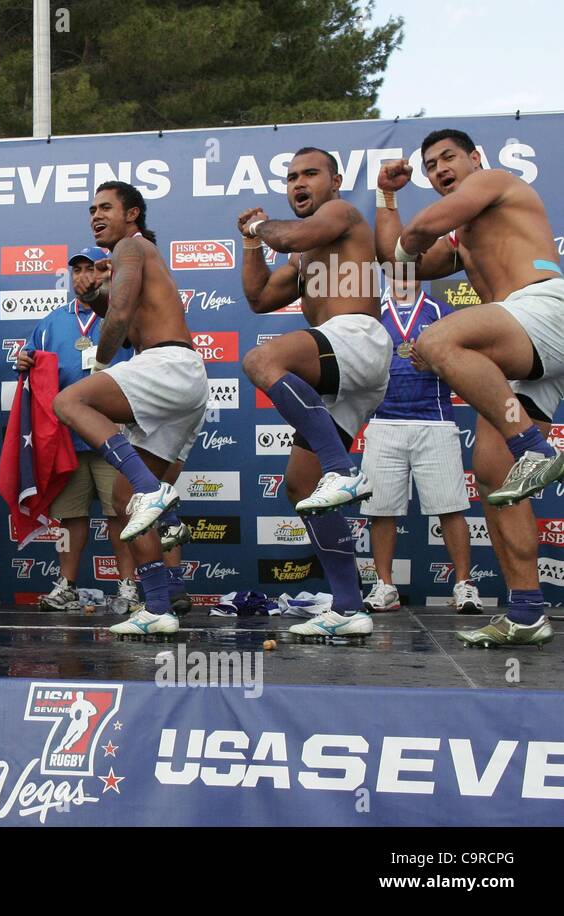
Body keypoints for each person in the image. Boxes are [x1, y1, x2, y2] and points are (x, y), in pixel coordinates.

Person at [377, 128, 561, 647]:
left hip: (545, 307)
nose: (439, 170)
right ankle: (527, 611)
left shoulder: (495, 181)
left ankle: (535, 446)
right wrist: (387, 198)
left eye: (448, 158)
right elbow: (397, 263)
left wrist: (410, 237)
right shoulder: (463, 240)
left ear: (474, 158)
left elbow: (419, 235)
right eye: (431, 165)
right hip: (522, 340)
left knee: (436, 343)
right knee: (494, 479)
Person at [238, 147, 389, 639]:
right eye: (291, 177)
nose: (298, 183)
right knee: (303, 488)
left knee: (262, 360)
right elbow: (260, 299)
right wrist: (249, 246)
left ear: (335, 180)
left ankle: (344, 471)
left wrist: (263, 228)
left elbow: (292, 233)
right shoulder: (305, 252)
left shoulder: (341, 213)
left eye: (309, 174)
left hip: (356, 338)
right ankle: (348, 607)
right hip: (341, 366)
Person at [52, 182, 209, 638]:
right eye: (91, 209)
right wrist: (89, 296)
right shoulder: (135, 256)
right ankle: (158, 607)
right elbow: (121, 310)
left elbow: (119, 317)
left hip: (168, 364)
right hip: (180, 376)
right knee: (125, 500)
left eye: (106, 207)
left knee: (70, 399)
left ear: (133, 214)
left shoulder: (129, 247)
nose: (95, 215)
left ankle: (154, 492)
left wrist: (99, 364)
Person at [17, 246, 137, 612]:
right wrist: (23, 360)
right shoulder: (52, 322)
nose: (84, 277)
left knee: (121, 515)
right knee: (70, 518)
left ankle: (128, 586)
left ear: (108, 274)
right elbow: (28, 360)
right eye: (77, 270)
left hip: (112, 433)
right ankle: (66, 585)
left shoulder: (124, 317)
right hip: (66, 438)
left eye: (92, 269)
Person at [359, 273, 480, 613]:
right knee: (381, 510)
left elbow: (465, 363)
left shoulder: (441, 312)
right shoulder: (370, 312)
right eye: (394, 269)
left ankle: (464, 585)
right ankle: (384, 586)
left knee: (451, 507)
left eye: (409, 269)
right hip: (384, 422)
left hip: (435, 421)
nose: (402, 276)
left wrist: (439, 362)